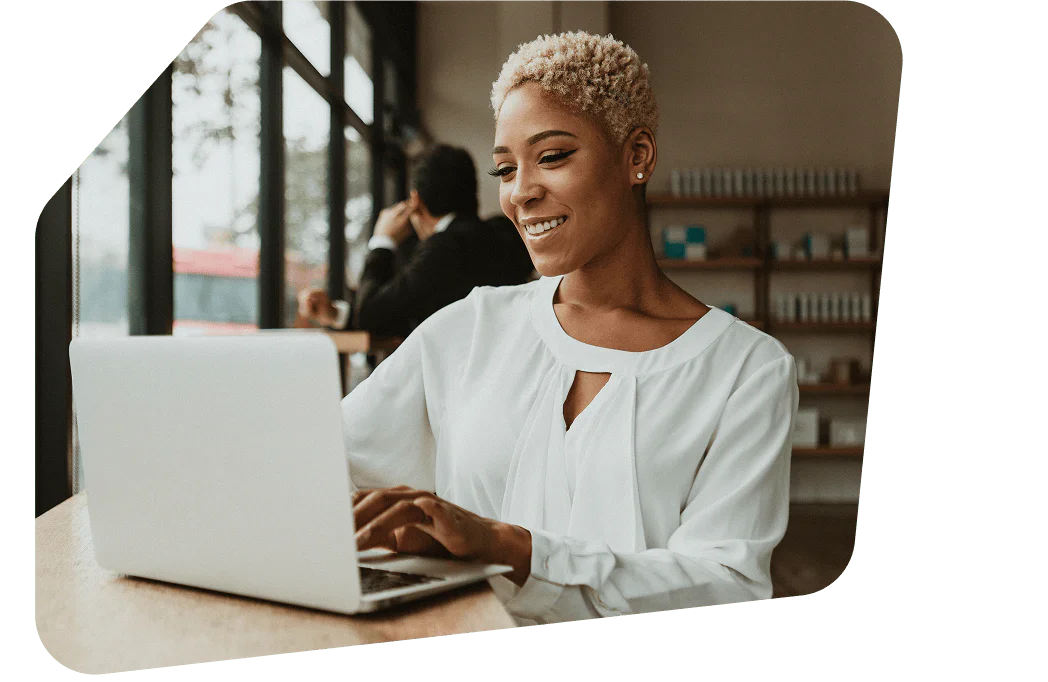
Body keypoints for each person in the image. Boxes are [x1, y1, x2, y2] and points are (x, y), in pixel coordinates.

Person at [341, 32, 798, 625]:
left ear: (637, 156)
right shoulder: (468, 329)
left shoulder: (746, 369)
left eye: (552, 156)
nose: (521, 192)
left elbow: (725, 588)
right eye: (505, 168)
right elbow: (320, 466)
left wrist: (516, 550)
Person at [297, 145, 534, 337]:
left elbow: (371, 314)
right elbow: (402, 310)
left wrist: (382, 241)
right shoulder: (507, 234)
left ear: (415, 200)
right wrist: (336, 314)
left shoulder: (442, 249)